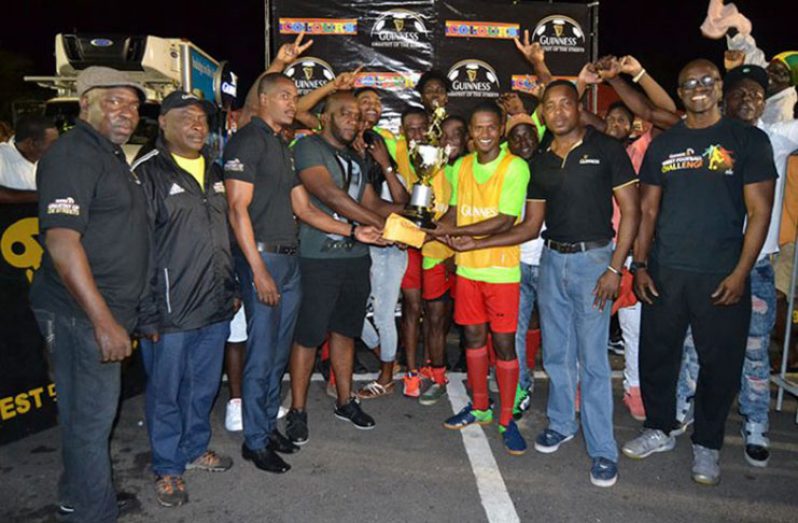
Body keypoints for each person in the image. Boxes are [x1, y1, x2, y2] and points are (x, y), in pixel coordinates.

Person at [623, 59, 776, 486]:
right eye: (689, 83)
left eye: (707, 81)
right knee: (657, 355)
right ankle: (659, 427)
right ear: (680, 89)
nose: (698, 89)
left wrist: (741, 272)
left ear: (720, 86)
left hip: (721, 275)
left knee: (720, 364)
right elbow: (648, 209)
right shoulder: (665, 144)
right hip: (666, 271)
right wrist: (640, 264)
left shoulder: (747, 139)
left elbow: (759, 213)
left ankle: (707, 445)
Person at [29, 66, 149, 522]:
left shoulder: (109, 153)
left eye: (134, 105)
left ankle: (79, 494)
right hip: (80, 313)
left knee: (86, 416)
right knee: (90, 420)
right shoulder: (73, 154)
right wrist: (104, 322)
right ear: (86, 104)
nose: (128, 112)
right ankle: (93, 513)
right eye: (114, 101)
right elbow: (62, 243)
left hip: (105, 308)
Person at [674, 65, 798, 468]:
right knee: (696, 342)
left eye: (757, 96)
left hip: (757, 268)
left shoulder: (775, 138)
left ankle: (756, 423)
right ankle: (682, 406)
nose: (749, 101)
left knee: (755, 351)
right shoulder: (708, 137)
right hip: (709, 264)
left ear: (766, 103)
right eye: (741, 94)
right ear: (724, 97)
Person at [527, 79, 639, 487]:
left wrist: (615, 267)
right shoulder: (540, 160)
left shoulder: (607, 149)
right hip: (552, 260)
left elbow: (631, 211)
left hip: (595, 262)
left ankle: (603, 450)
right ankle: (561, 423)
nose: (557, 112)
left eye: (565, 104)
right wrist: (472, 238)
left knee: (593, 361)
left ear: (578, 107)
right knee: (556, 353)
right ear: (542, 113)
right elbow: (531, 223)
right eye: (549, 106)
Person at [134, 91, 236, 507]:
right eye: (187, 118)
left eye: (202, 119)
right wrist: (146, 312)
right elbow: (135, 248)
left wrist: (230, 291)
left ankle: (194, 449)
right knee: (166, 392)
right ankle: (167, 466)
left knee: (203, 386)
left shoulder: (214, 170)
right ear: (163, 122)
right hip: (170, 311)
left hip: (214, 306)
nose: (198, 126)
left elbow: (224, 236)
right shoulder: (147, 173)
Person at [286, 91, 396, 445]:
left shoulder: (354, 156)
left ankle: (345, 402)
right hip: (318, 258)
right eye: (344, 113)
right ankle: (298, 411)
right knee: (308, 336)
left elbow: (371, 203)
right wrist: (386, 229)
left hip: (354, 258)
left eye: (356, 114)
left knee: (345, 332)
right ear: (325, 117)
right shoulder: (308, 148)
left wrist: (410, 220)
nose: (353, 119)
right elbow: (331, 195)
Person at [429, 102, 530, 456]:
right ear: (470, 132)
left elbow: (505, 219)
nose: (484, 134)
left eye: (491, 127)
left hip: (501, 271)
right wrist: (429, 228)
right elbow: (454, 212)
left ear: (500, 129)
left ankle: (506, 419)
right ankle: (480, 406)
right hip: (468, 269)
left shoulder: (515, 167)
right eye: (478, 128)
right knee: (472, 340)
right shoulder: (461, 167)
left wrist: (462, 233)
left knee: (503, 345)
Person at [223, 73, 307, 474]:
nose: (292, 104)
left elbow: (303, 207)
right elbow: (236, 209)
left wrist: (356, 230)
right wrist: (257, 271)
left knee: (277, 354)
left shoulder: (281, 144)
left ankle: (266, 426)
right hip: (264, 261)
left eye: (295, 97)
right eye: (285, 96)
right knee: (260, 354)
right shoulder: (248, 140)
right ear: (264, 99)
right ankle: (254, 442)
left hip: (289, 259)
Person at [356, 89, 411, 400]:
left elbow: (403, 202)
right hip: (359, 248)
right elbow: (371, 206)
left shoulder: (385, 165)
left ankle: (387, 375)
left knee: (383, 315)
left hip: (389, 250)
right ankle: (388, 357)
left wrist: (384, 163)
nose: (367, 148)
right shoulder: (347, 165)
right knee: (352, 314)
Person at [417, 114, 467, 406]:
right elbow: (421, 213)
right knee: (434, 317)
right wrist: (433, 239)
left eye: (456, 135)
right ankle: (437, 375)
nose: (449, 141)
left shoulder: (470, 167)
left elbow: (464, 213)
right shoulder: (429, 168)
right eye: (444, 135)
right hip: (434, 253)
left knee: (470, 322)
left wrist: (451, 247)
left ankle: (478, 376)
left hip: (466, 254)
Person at [388, 106, 432, 397]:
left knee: (435, 309)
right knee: (412, 306)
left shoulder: (439, 155)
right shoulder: (395, 147)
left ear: (430, 127)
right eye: (410, 128)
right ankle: (411, 369)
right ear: (402, 130)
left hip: (439, 242)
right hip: (409, 241)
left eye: (420, 127)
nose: (415, 133)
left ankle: (431, 363)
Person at [503, 114, 542, 417]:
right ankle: (521, 387)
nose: (523, 142)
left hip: (553, 262)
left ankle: (571, 392)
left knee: (560, 333)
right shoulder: (505, 172)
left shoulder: (552, 166)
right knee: (514, 331)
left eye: (528, 135)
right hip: (515, 262)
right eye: (515, 137)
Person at [0, 115, 59, 203]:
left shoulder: (55, 160)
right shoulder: (2, 158)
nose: (57, 147)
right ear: (31, 144)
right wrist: (42, 195)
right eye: (53, 143)